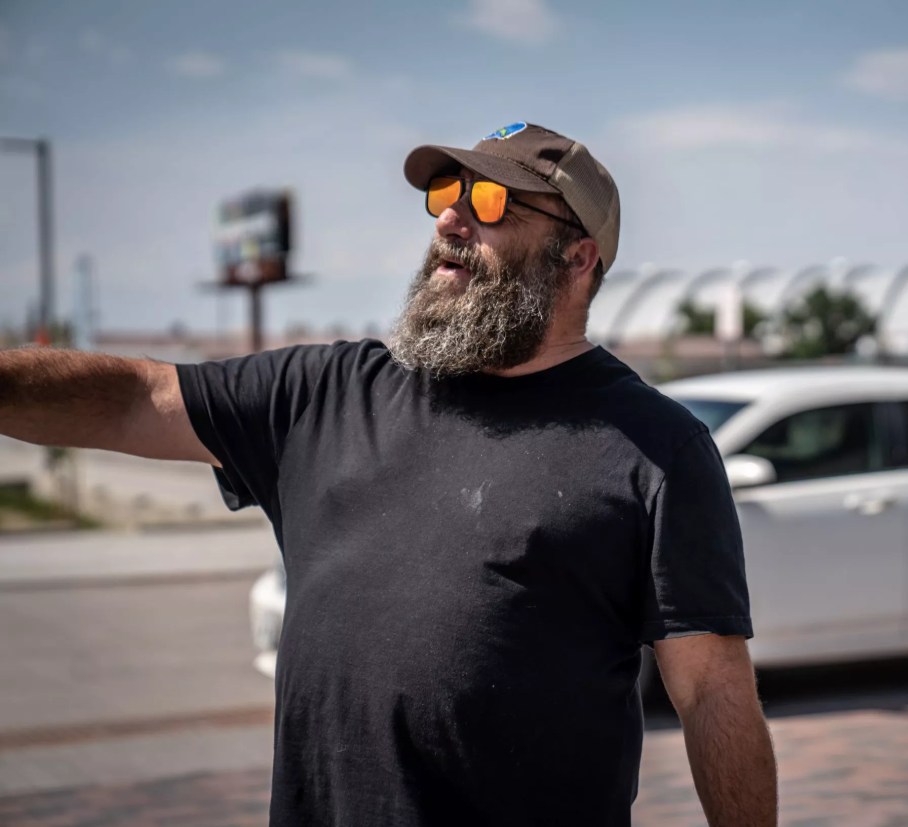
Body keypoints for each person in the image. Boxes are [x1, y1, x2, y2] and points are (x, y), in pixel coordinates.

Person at [0, 122, 777, 826]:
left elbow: (712, 691)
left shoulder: (656, 448)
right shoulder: (324, 395)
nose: (450, 219)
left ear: (577, 258)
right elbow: (135, 397)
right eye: (445, 194)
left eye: (490, 201)